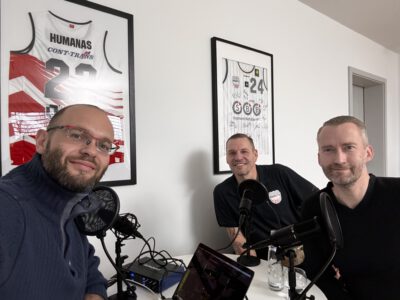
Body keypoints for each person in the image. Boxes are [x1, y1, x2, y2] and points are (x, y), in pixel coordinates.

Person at [0, 104, 117, 300]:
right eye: (77, 135)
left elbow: (88, 268)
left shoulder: (71, 201)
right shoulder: (6, 207)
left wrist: (95, 293)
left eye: (103, 146)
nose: (91, 151)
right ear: (42, 141)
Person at [301, 115, 400, 299]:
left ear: (368, 153)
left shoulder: (396, 194)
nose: (339, 159)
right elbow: (319, 274)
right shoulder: (312, 208)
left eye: (349, 147)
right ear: (319, 158)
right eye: (328, 149)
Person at [213, 133, 318, 259]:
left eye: (244, 151)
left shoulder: (279, 173)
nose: (238, 157)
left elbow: (316, 201)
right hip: (262, 258)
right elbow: (237, 238)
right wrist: (254, 268)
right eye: (232, 153)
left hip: (299, 251)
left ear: (255, 154)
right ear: (227, 159)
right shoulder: (222, 192)